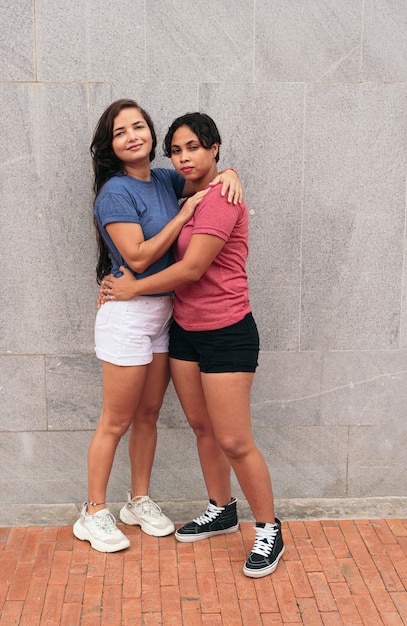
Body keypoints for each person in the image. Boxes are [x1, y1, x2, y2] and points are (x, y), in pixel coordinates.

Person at [100, 112, 285, 578]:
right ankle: (221, 508)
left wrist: (132, 288)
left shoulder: (221, 197)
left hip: (226, 331)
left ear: (215, 147)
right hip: (185, 329)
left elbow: (191, 270)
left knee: (234, 439)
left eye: (194, 148)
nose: (184, 157)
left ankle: (268, 528)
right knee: (203, 428)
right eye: (177, 150)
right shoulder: (183, 188)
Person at [73, 99, 242, 553]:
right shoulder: (115, 191)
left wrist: (230, 174)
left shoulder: (165, 179)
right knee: (116, 419)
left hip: (162, 313)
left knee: (147, 415)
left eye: (139, 127)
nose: (133, 136)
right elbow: (141, 257)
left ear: (151, 135)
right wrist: (185, 216)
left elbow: (206, 173)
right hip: (127, 314)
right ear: (110, 146)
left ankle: (138, 501)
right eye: (120, 131)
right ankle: (92, 512)